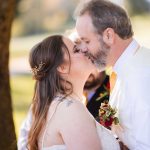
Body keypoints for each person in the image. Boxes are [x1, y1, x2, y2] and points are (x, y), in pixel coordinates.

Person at [18, 35, 120, 150]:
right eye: (76, 50)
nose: (85, 49)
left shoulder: (50, 106)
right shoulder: (71, 109)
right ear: (62, 67)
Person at [75, 0, 150, 149]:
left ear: (109, 35)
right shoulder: (123, 70)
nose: (83, 49)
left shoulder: (142, 77)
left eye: (87, 41)